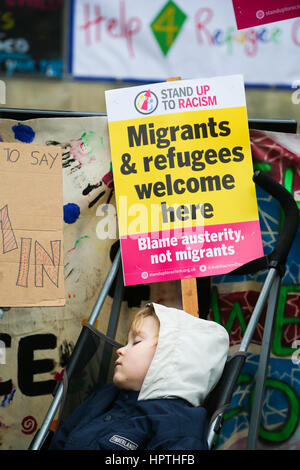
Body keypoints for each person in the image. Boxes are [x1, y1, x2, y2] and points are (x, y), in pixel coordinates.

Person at [51, 302, 229, 450]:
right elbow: (60, 440)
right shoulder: (103, 396)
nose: (120, 350)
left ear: (171, 358)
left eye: (135, 342)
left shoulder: (179, 426)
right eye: (125, 342)